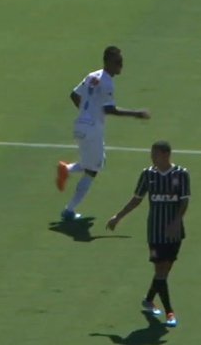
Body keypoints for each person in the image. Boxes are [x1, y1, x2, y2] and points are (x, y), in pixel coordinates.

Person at [56, 46, 150, 221]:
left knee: (95, 162)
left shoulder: (92, 75)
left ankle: (66, 169)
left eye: (121, 62)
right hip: (92, 129)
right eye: (117, 62)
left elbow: (74, 95)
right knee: (93, 170)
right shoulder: (107, 82)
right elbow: (110, 109)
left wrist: (86, 113)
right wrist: (136, 113)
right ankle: (69, 210)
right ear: (107, 62)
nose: (120, 65)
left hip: (80, 125)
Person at [107, 141, 191, 328]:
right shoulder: (147, 175)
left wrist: (176, 222)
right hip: (155, 232)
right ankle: (169, 312)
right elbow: (136, 199)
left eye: (154, 153)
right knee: (160, 270)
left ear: (165, 154)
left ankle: (148, 300)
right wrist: (118, 216)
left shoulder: (181, 174)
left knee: (165, 270)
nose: (151, 157)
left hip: (175, 232)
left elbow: (184, 201)